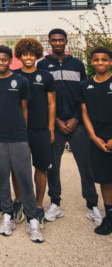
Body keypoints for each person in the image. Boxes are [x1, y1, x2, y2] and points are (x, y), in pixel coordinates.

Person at [37, 29, 101, 225]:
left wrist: (75, 118)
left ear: (66, 41)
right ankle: (55, 203)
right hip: (54, 123)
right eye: (54, 40)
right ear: (49, 42)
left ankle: (92, 205)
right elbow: (42, 98)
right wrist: (55, 120)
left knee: (86, 165)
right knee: (53, 166)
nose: (57, 43)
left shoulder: (78, 64)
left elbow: (84, 96)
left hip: (77, 122)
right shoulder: (43, 65)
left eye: (60, 40)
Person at [0, 45, 43, 242]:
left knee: (24, 177)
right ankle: (7, 215)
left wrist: (23, 132)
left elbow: (24, 108)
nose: (0, 63)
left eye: (4, 60)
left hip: (18, 137)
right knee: (2, 177)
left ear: (10, 61)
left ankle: (33, 219)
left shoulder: (21, 81)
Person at [13, 38, 56, 228]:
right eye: (25, 54)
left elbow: (52, 103)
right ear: (19, 56)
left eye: (32, 54)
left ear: (37, 55)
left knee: (41, 168)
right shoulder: (13, 75)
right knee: (17, 169)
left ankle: (38, 206)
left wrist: (51, 128)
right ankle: (20, 202)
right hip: (18, 131)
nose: (28, 57)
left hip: (40, 130)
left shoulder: (46, 76)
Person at [78, 46, 112, 235]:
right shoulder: (84, 86)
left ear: (110, 62)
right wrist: (94, 137)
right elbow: (85, 113)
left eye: (104, 59)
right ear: (91, 62)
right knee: (105, 181)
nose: (100, 63)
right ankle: (109, 217)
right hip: (98, 140)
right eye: (97, 60)